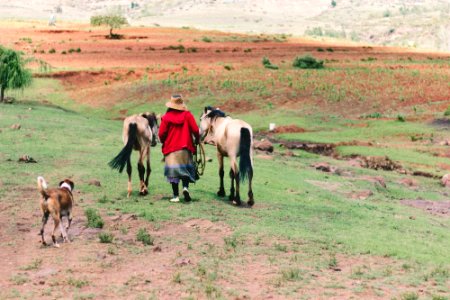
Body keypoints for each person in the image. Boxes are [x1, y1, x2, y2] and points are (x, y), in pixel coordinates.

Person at [158, 94, 200, 202]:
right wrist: (197, 139)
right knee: (185, 169)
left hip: (171, 148)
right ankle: (185, 188)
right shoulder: (187, 115)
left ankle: (176, 196)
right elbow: (195, 129)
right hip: (185, 147)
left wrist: (164, 141)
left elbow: (161, 133)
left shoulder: (166, 117)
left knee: (173, 172)